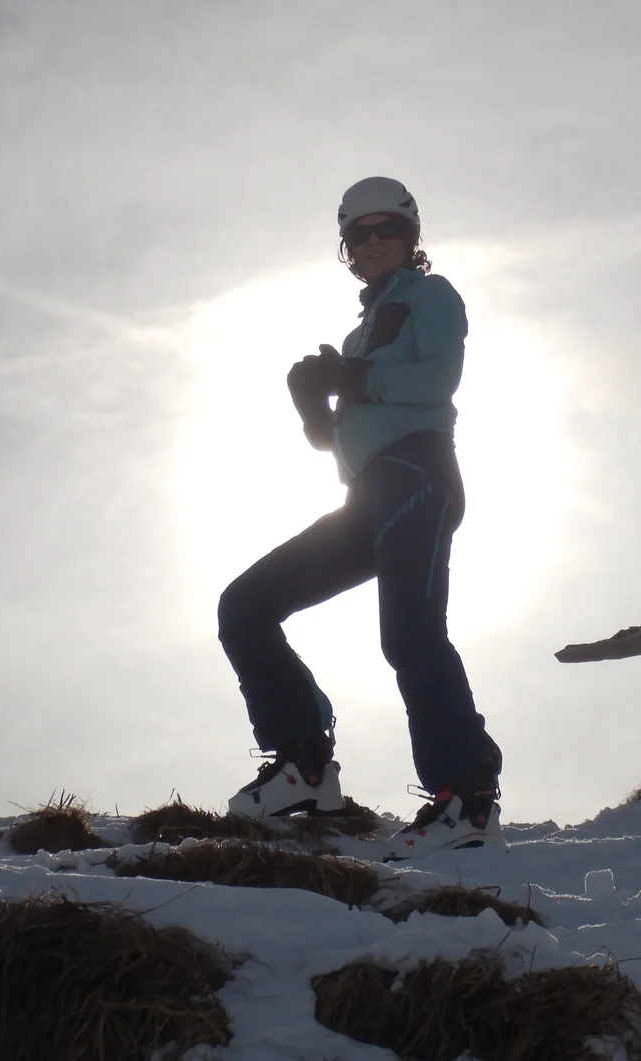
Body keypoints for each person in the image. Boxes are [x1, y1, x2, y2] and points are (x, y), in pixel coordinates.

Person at [216, 177, 503, 861]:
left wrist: (351, 379)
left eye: (387, 230)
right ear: (347, 246)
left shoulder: (430, 297)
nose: (374, 242)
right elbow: (334, 441)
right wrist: (312, 403)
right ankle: (304, 770)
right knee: (246, 605)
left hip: (417, 475)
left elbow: (437, 381)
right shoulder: (363, 329)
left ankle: (466, 798)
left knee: (409, 636)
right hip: (368, 492)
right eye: (360, 233)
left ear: (411, 237)